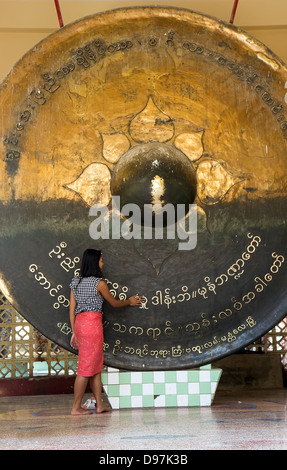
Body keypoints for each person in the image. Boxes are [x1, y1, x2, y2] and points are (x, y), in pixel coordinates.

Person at [69, 248, 144, 415]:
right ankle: (75, 408)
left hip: (81, 324)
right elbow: (114, 303)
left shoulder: (76, 282)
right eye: (101, 260)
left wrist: (74, 331)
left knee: (95, 365)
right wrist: (129, 301)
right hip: (92, 325)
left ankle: (99, 405)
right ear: (95, 263)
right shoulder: (99, 283)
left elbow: (71, 308)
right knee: (85, 368)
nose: (103, 263)